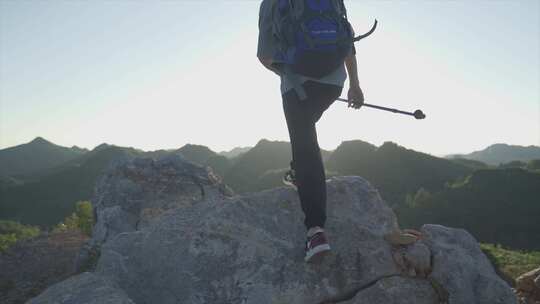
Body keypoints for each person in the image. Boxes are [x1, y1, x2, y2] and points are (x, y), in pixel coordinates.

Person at [257, 0, 365, 263]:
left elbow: (264, 56)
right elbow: (346, 43)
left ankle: (315, 231)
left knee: (305, 143)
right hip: (333, 84)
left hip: (296, 84)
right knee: (306, 133)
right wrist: (355, 85)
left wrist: (289, 74)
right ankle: (298, 170)